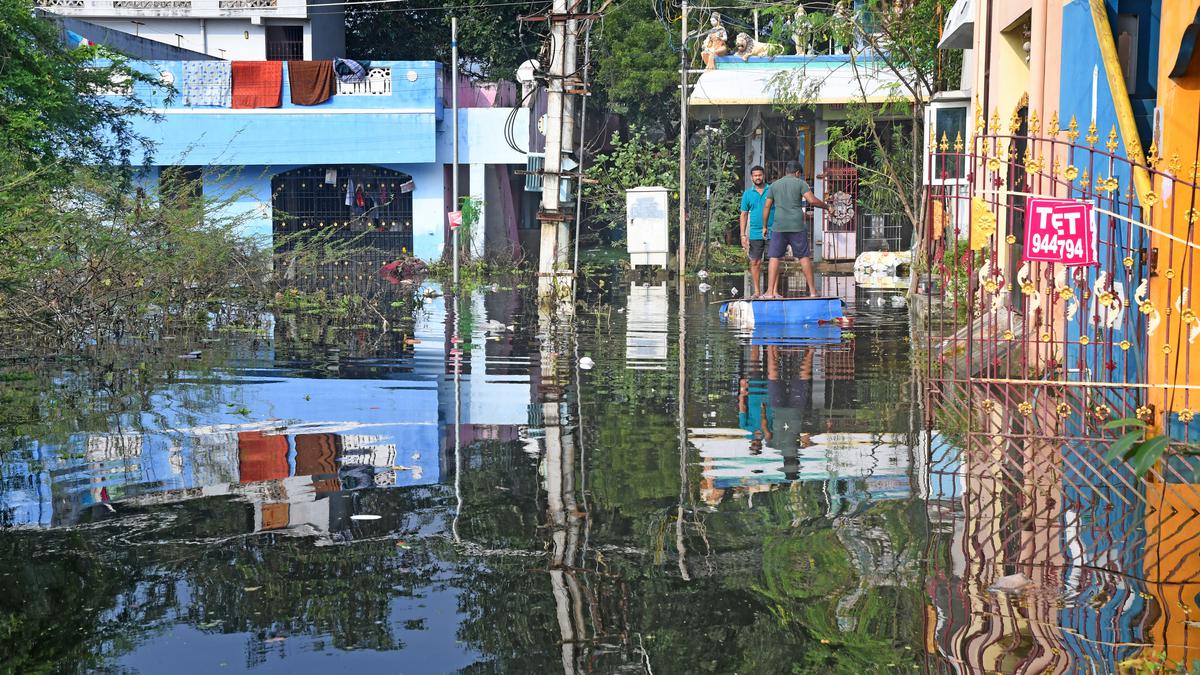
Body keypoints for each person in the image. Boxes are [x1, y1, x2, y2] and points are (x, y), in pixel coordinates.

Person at [761, 161, 828, 298]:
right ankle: (813, 292)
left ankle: (769, 292)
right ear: (797, 173)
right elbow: (812, 201)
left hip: (779, 226)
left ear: (786, 171)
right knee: (803, 257)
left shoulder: (774, 185)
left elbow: (767, 206)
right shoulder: (800, 183)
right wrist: (826, 206)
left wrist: (764, 226)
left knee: (774, 257)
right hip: (797, 225)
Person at [739, 165, 774, 298]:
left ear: (763, 175)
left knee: (774, 261)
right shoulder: (748, 194)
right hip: (754, 232)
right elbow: (743, 214)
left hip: (773, 230)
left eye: (760, 175)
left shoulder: (771, 190)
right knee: (755, 262)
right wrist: (743, 235)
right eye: (755, 175)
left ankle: (773, 291)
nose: (757, 177)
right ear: (751, 177)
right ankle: (757, 292)